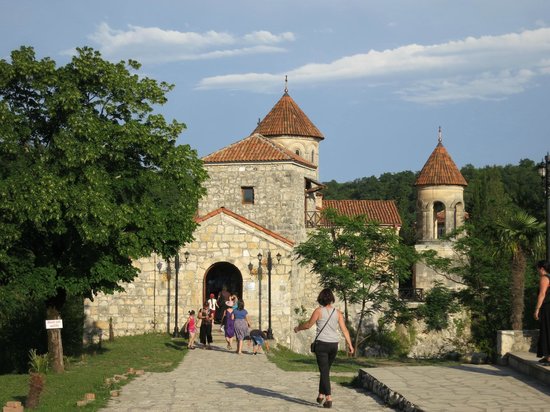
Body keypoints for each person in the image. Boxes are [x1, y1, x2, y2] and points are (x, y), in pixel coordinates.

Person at [294, 288, 354, 409]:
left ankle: (328, 398)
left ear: (320, 298)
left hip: (322, 345)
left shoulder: (318, 311)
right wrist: (350, 345)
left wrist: (298, 328)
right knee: (325, 370)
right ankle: (321, 394)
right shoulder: (337, 313)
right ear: (331, 299)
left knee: (324, 371)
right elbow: (344, 330)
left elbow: (308, 325)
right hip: (333, 345)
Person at [534, 260, 550, 364]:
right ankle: (547, 355)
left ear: (542, 268)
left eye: (537, 268)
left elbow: (542, 294)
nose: (537, 271)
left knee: (546, 330)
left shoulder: (544, 278)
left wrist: (537, 309)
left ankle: (549, 357)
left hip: (547, 307)